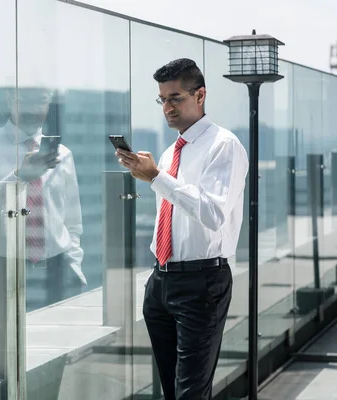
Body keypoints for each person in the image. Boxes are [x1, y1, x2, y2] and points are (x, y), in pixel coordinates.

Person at [115, 58, 249, 399]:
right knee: (173, 391)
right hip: (161, 282)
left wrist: (157, 177)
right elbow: (173, 215)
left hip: (201, 283)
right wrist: (155, 174)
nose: (167, 108)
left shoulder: (224, 145)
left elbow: (212, 212)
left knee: (191, 393)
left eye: (175, 98)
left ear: (200, 95)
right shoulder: (169, 150)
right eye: (162, 99)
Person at [0, 87, 86, 378]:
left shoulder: (63, 155)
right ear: (9, 99)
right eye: (25, 99)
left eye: (40, 99)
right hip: (4, 271)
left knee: (53, 372)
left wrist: (74, 265)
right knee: (2, 373)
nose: (34, 107)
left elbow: (73, 221)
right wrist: (17, 178)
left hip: (56, 274)